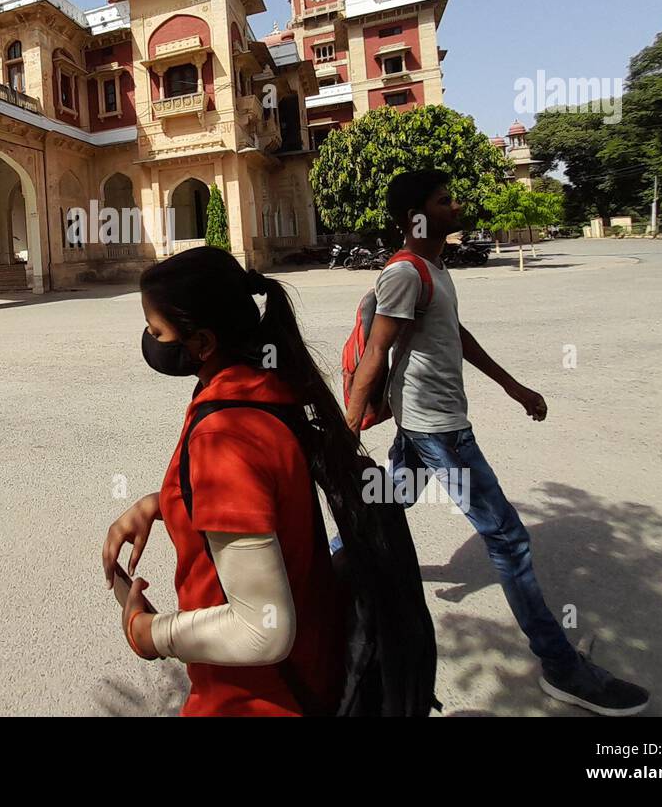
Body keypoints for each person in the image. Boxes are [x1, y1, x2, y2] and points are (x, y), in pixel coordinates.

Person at [343, 168, 649, 716]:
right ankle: (561, 667)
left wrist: (513, 386)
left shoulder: (433, 268)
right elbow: (373, 356)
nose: (457, 206)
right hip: (437, 427)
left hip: (428, 422)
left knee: (390, 500)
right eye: (444, 200)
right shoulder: (404, 274)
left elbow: (455, 336)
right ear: (416, 216)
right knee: (508, 540)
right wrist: (346, 435)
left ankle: (319, 568)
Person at [102, 246, 436, 716]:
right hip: (310, 668)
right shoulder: (260, 387)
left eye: (157, 331)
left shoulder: (225, 434)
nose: (151, 341)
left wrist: (148, 633)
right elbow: (265, 494)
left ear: (201, 344)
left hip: (253, 698)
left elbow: (263, 628)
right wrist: (168, 501)